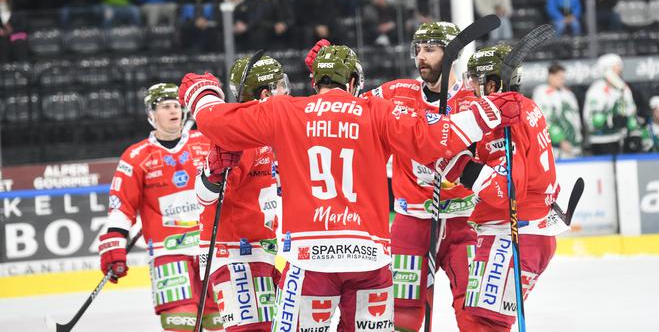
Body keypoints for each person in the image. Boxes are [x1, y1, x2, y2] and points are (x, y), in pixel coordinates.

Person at [179, 44, 522, 332]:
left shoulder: (286, 110)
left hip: (310, 260)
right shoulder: (377, 111)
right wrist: (487, 114)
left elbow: (215, 121)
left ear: (315, 82)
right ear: (355, 81)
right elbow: (433, 139)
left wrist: (202, 93)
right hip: (369, 260)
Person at [355, 22, 481, 331]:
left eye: (430, 49)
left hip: (464, 222)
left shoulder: (472, 99)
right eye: (418, 50)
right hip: (411, 222)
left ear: (452, 53)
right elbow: (349, 112)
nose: (420, 57)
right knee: (402, 315)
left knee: (476, 312)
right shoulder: (396, 93)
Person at [98, 83, 221, 331]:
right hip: (168, 253)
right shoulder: (136, 156)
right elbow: (121, 206)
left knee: (224, 322)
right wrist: (114, 245)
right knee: (181, 325)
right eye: (165, 106)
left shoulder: (207, 142)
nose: (173, 110)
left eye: (176, 105)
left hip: (214, 247)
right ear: (151, 114)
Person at [462, 44, 568, 331]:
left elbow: (505, 191)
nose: (470, 87)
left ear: (493, 83)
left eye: (475, 80)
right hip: (527, 231)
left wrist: (463, 167)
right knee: (480, 320)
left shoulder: (503, 117)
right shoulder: (525, 105)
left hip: (512, 233)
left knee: (482, 324)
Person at [196, 55, 290, 331]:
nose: (288, 92)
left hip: (261, 254)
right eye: (281, 86)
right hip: (236, 255)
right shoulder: (241, 136)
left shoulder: (271, 132)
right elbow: (203, 197)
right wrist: (212, 173)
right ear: (265, 93)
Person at [583, 53, 641, 155]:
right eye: (616, 66)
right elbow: (590, 119)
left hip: (622, 139)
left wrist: (634, 132)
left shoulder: (624, 88)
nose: (620, 70)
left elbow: (631, 112)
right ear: (607, 69)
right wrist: (611, 121)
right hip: (601, 141)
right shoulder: (597, 90)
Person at [532, 63, 583, 158]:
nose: (562, 80)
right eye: (559, 77)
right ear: (550, 76)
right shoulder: (542, 93)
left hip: (573, 144)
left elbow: (575, 118)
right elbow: (544, 119)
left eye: (563, 77)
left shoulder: (569, 94)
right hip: (555, 146)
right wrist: (560, 140)